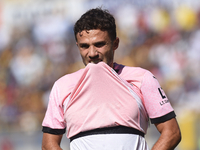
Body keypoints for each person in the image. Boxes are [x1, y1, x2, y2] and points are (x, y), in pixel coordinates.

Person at [41, 8, 181, 150]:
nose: (92, 53)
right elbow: (48, 144)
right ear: (77, 46)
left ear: (115, 44)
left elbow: (172, 132)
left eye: (99, 44)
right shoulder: (62, 86)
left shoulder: (142, 78)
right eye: (84, 46)